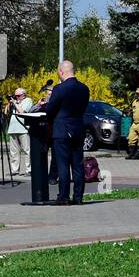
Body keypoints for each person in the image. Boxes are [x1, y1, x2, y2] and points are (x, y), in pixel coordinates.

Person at [38, 60, 90, 205]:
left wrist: (46, 105)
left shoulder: (59, 89)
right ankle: (78, 197)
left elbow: (50, 110)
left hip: (62, 131)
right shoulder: (84, 89)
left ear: (61, 72)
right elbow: (82, 109)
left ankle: (63, 197)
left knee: (63, 166)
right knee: (78, 166)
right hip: (78, 130)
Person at [6, 88, 33, 173]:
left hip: (23, 129)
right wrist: (9, 103)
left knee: (26, 150)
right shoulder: (14, 103)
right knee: (14, 152)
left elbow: (22, 112)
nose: (16, 97)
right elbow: (6, 113)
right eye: (15, 96)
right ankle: (15, 170)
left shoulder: (28, 100)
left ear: (24, 95)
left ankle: (29, 170)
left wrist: (15, 103)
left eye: (18, 96)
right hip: (13, 129)